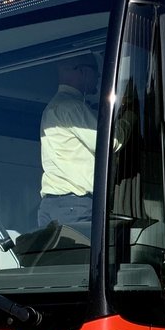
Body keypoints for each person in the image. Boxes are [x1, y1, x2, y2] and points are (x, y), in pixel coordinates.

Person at [38, 52, 100, 229]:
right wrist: (129, 117)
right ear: (82, 71)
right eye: (96, 71)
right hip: (74, 206)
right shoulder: (72, 107)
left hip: (50, 206)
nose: (99, 77)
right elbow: (110, 144)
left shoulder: (52, 108)